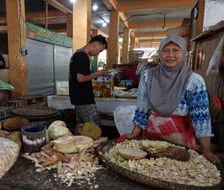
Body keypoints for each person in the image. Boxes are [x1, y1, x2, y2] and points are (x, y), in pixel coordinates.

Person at [126, 35, 220, 163]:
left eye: (176, 50)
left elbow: (201, 118)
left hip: (181, 144)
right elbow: (143, 107)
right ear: (160, 53)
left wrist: (206, 149)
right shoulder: (148, 76)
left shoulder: (194, 81)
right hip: (150, 141)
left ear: (184, 53)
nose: (170, 55)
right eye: (166, 50)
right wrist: (134, 133)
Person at [69, 35, 108, 125]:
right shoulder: (81, 56)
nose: (98, 53)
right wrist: (99, 73)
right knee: (95, 128)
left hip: (78, 97)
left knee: (81, 127)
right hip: (84, 99)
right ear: (95, 44)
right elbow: (81, 78)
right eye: (100, 50)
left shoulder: (78, 54)